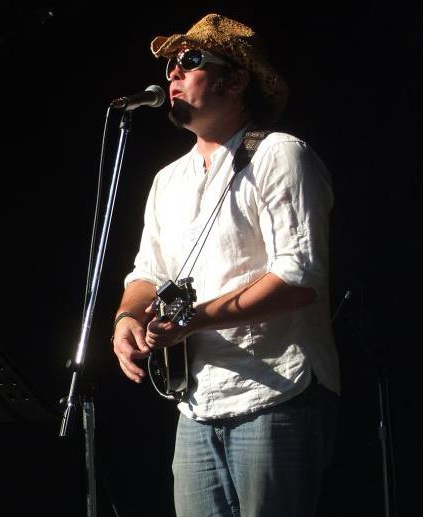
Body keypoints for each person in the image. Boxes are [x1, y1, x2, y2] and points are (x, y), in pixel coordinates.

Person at [112, 13, 340, 517]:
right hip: (196, 403)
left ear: (235, 81)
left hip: (276, 392)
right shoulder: (167, 181)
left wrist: (194, 319)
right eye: (170, 64)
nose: (173, 72)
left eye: (190, 60)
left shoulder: (281, 155)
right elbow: (147, 273)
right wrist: (127, 317)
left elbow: (299, 277)